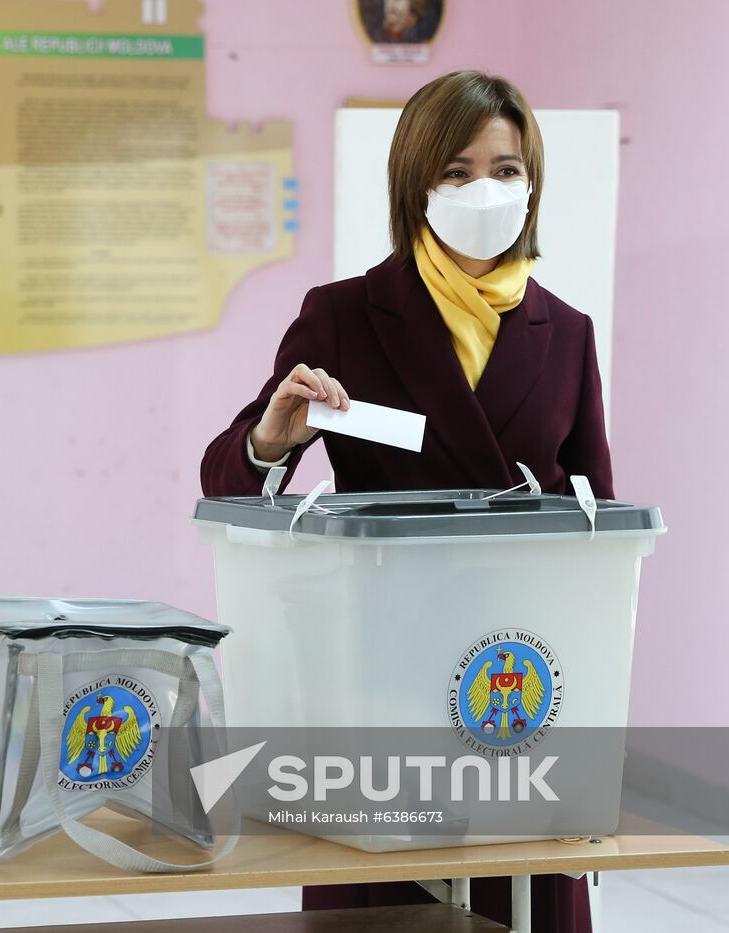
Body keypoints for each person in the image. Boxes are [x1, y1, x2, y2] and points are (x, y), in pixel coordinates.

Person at [200, 70, 606, 932]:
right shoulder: (345, 314)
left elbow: (596, 528)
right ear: (415, 184)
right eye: (455, 171)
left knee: (522, 900)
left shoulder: (566, 332)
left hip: (521, 684)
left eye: (504, 168)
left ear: (533, 181)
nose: (483, 190)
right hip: (382, 685)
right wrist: (274, 438)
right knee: (385, 910)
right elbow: (225, 477)